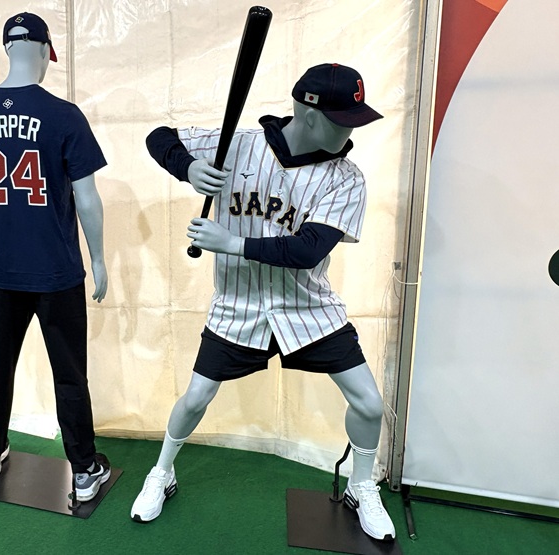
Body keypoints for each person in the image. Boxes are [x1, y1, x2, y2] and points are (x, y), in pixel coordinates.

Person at [130, 63, 396, 540]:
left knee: (370, 404)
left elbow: (307, 250)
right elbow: (159, 137)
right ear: (309, 114)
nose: (351, 129)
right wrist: (188, 168)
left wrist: (229, 242)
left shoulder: (346, 178)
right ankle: (162, 472)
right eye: (343, 119)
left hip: (308, 308)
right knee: (196, 398)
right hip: (239, 306)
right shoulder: (239, 145)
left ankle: (361, 486)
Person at [0, 12, 110, 502]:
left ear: (8, 49)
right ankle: (83, 470)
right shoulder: (64, 116)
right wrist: (98, 258)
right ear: (42, 51)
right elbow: (87, 198)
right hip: (56, 272)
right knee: (69, 372)